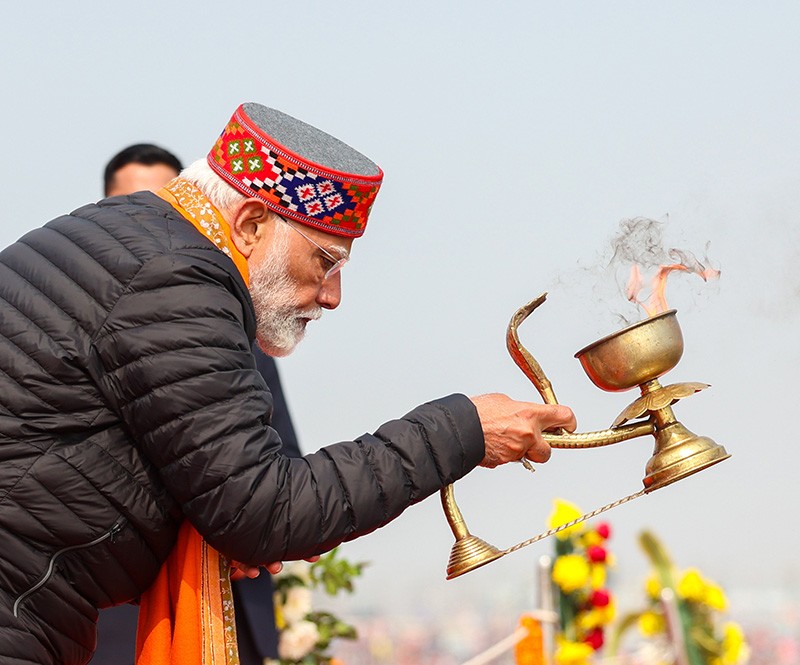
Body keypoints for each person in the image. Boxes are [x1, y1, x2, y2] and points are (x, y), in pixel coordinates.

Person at [0, 102, 576, 665]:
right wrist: (462, 429)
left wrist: (209, 518)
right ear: (251, 224)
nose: (332, 296)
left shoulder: (137, 242)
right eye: (325, 261)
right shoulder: (174, 278)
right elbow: (265, 511)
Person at [92, 144, 301, 664]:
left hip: (232, 602)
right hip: (123, 615)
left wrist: (251, 524)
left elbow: (281, 459)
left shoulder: (238, 330)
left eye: (163, 202)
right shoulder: (83, 330)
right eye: (132, 205)